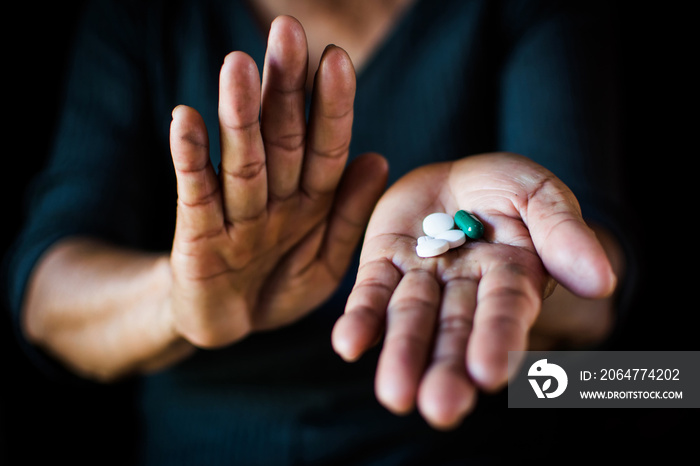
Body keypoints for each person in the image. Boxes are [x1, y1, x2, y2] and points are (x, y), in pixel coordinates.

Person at [5, 0, 629, 463]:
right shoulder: (142, 18)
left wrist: (530, 256)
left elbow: (598, 300)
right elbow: (46, 295)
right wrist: (175, 300)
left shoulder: (524, 13)